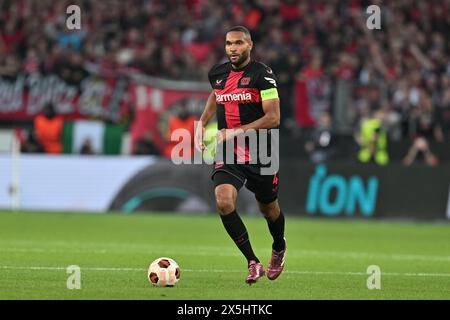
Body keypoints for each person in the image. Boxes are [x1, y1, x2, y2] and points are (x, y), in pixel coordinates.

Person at [195, 26, 286, 284]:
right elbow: (217, 94)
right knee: (224, 202)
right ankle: (252, 261)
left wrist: (235, 131)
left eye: (238, 43)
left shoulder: (263, 76)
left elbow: (274, 117)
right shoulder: (217, 73)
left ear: (249, 45)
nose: (232, 48)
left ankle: (278, 247)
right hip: (229, 151)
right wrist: (202, 121)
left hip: (262, 152)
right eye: (228, 44)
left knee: (268, 208)